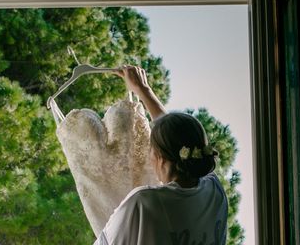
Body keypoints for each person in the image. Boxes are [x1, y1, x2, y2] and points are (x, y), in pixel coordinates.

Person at [93, 65, 229, 245]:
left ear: (159, 158)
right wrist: (143, 91)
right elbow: (174, 135)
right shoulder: (214, 193)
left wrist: (143, 90)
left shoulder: (143, 203)